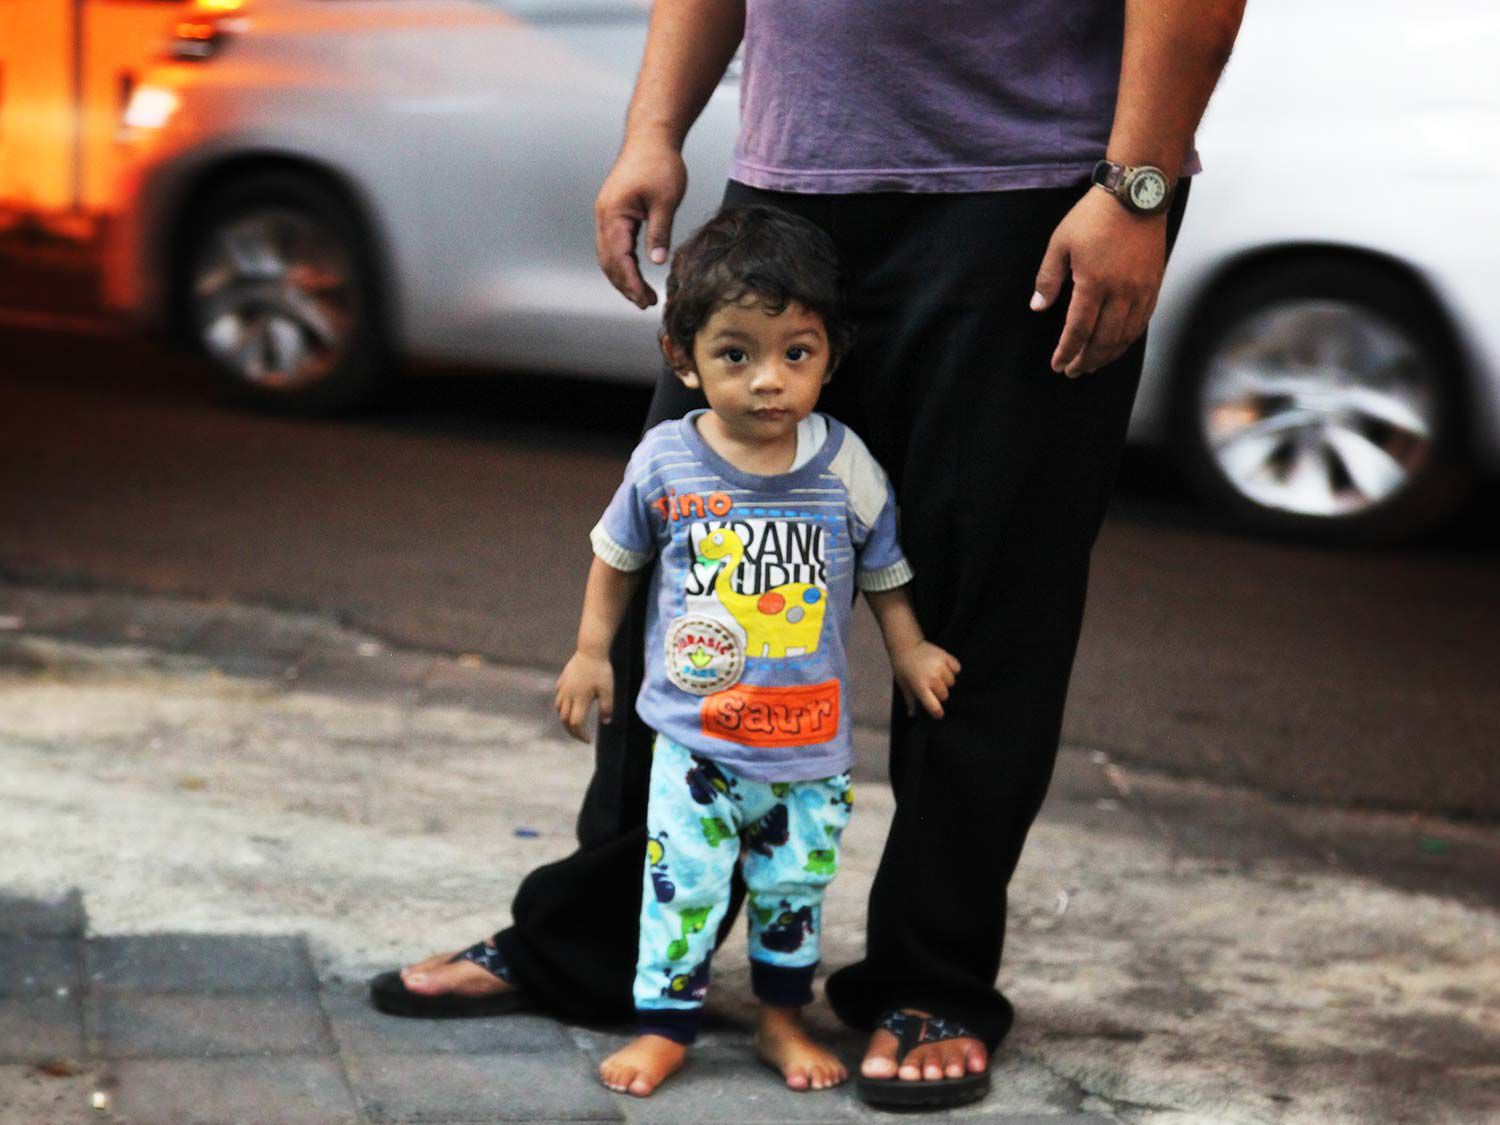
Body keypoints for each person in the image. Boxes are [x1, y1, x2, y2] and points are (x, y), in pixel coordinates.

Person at [371, 0, 1244, 1110]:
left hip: (1031, 197)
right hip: (788, 188)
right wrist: (654, 132)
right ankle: (603, 942)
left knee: (982, 619)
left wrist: (1138, 189)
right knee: (686, 580)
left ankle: (929, 981)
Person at [551, 205, 960, 1096]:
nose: (769, 381)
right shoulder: (667, 461)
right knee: (682, 889)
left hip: (808, 751)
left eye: (796, 353)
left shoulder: (844, 463)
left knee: (792, 892)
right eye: (737, 353)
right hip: (694, 745)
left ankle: (782, 1020)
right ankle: (666, 1026)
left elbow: (884, 570)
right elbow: (614, 559)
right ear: (683, 358)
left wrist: (913, 648)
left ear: (829, 357)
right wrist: (590, 653)